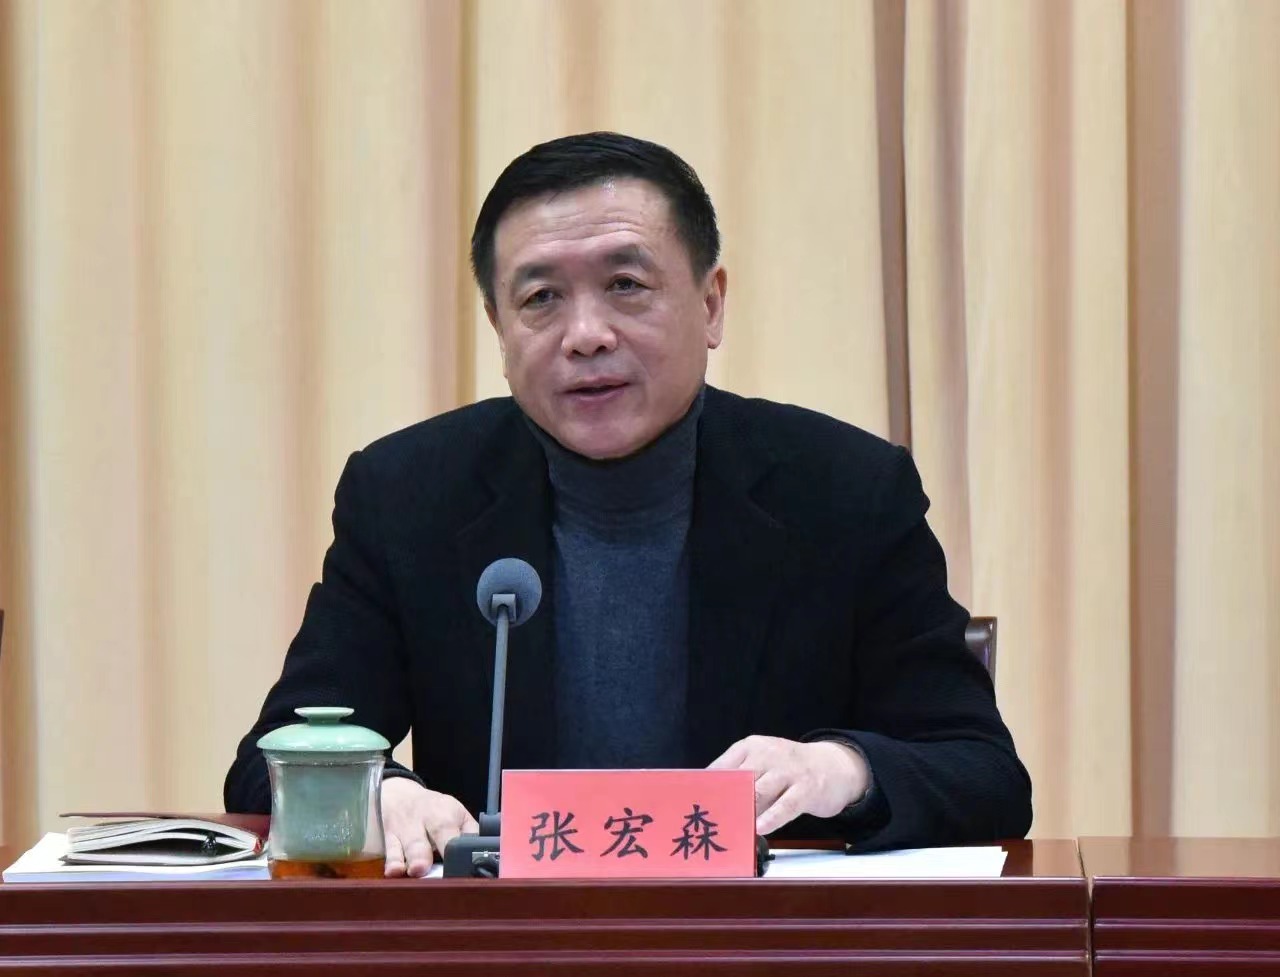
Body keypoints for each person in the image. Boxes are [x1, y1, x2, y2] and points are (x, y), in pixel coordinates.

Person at [225, 131, 1032, 876]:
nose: (586, 334)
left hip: (759, 948)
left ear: (711, 304)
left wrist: (839, 769)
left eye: (625, 285)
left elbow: (983, 772)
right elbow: (264, 762)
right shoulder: (408, 495)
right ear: (498, 327)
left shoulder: (845, 491)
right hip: (500, 950)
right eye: (541, 298)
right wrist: (377, 790)